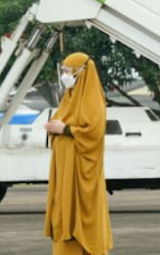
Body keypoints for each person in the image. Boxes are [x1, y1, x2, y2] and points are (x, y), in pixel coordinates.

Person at [43, 53, 113, 255]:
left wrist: (65, 129)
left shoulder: (92, 99)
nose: (65, 75)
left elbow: (94, 133)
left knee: (81, 214)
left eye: (68, 71)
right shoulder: (69, 98)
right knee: (62, 213)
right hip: (64, 172)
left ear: (81, 72)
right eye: (63, 70)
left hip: (82, 174)